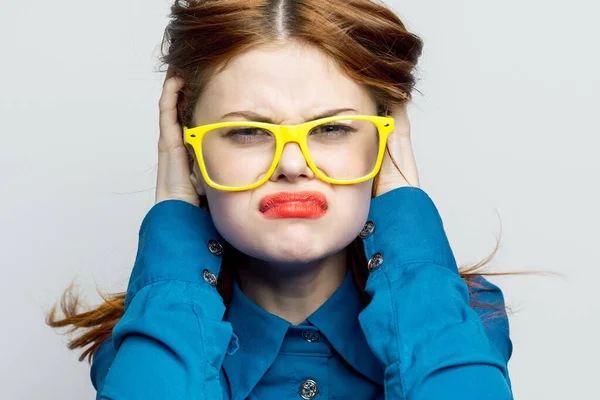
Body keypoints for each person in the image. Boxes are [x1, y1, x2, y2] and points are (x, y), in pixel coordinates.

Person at [47, 1, 516, 399]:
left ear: (385, 146)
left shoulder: (458, 318)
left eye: (332, 128)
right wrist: (173, 207)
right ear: (190, 156)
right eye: (248, 131)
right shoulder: (153, 334)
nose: (292, 165)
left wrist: (403, 207)